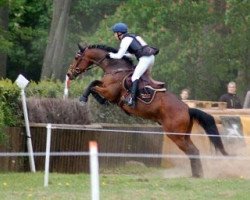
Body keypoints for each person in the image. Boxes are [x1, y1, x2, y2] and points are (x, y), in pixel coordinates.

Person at [106, 22, 159, 108]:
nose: (114, 35)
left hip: (145, 59)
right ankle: (145, 94)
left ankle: (132, 99)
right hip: (151, 57)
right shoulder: (134, 36)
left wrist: (110, 55)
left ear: (119, 33)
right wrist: (124, 55)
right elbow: (134, 53)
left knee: (135, 77)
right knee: (145, 78)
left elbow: (118, 56)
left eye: (115, 33)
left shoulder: (125, 40)